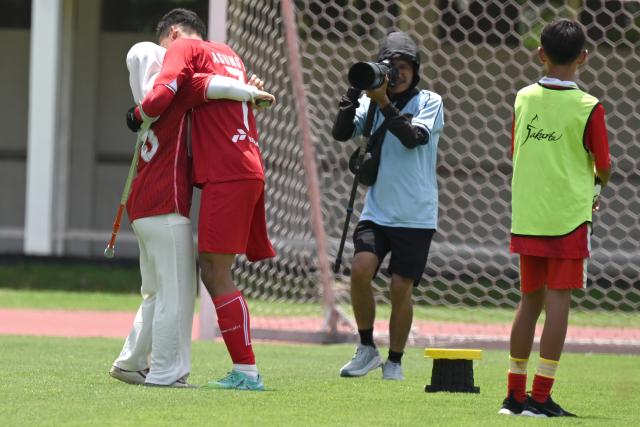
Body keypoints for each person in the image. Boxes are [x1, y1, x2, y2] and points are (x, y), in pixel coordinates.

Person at [110, 41, 274, 388]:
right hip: (166, 205)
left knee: (155, 291)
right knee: (177, 293)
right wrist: (249, 91)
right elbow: (216, 85)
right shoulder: (179, 93)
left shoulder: (146, 105)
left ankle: (130, 362)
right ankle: (168, 373)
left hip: (141, 207)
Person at [498, 19, 611, 417]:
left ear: (541, 54)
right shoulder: (589, 107)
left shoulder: (523, 98)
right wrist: (596, 188)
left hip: (528, 216)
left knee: (528, 301)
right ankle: (541, 399)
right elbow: (605, 164)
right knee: (558, 300)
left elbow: (516, 151)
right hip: (567, 219)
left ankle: (514, 397)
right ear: (583, 57)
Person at [332, 31, 444, 380]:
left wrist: (382, 102)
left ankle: (394, 361)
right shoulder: (372, 101)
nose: (398, 73)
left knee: (400, 287)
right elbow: (340, 133)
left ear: (416, 69)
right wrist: (355, 90)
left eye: (404, 66)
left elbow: (412, 139)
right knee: (361, 269)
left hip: (416, 214)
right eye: (390, 67)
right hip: (377, 210)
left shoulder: (429, 101)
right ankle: (366, 348)